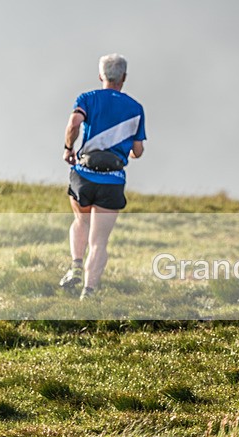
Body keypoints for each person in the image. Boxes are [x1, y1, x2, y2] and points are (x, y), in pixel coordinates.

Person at [59, 53, 146, 300]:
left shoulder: (87, 98)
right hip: (112, 180)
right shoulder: (135, 108)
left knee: (80, 222)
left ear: (101, 75)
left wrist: (68, 148)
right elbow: (138, 151)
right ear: (124, 78)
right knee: (99, 242)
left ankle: (76, 265)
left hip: (83, 176)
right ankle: (88, 291)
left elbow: (74, 123)